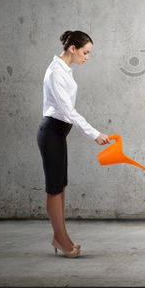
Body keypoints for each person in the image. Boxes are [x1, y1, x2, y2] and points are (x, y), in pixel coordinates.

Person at [36, 30, 110, 258]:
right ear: (72, 49)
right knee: (54, 189)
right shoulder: (55, 72)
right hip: (51, 133)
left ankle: (60, 237)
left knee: (60, 186)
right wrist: (95, 133)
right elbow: (68, 111)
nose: (87, 57)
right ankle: (62, 240)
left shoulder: (64, 69)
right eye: (85, 52)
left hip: (58, 134)